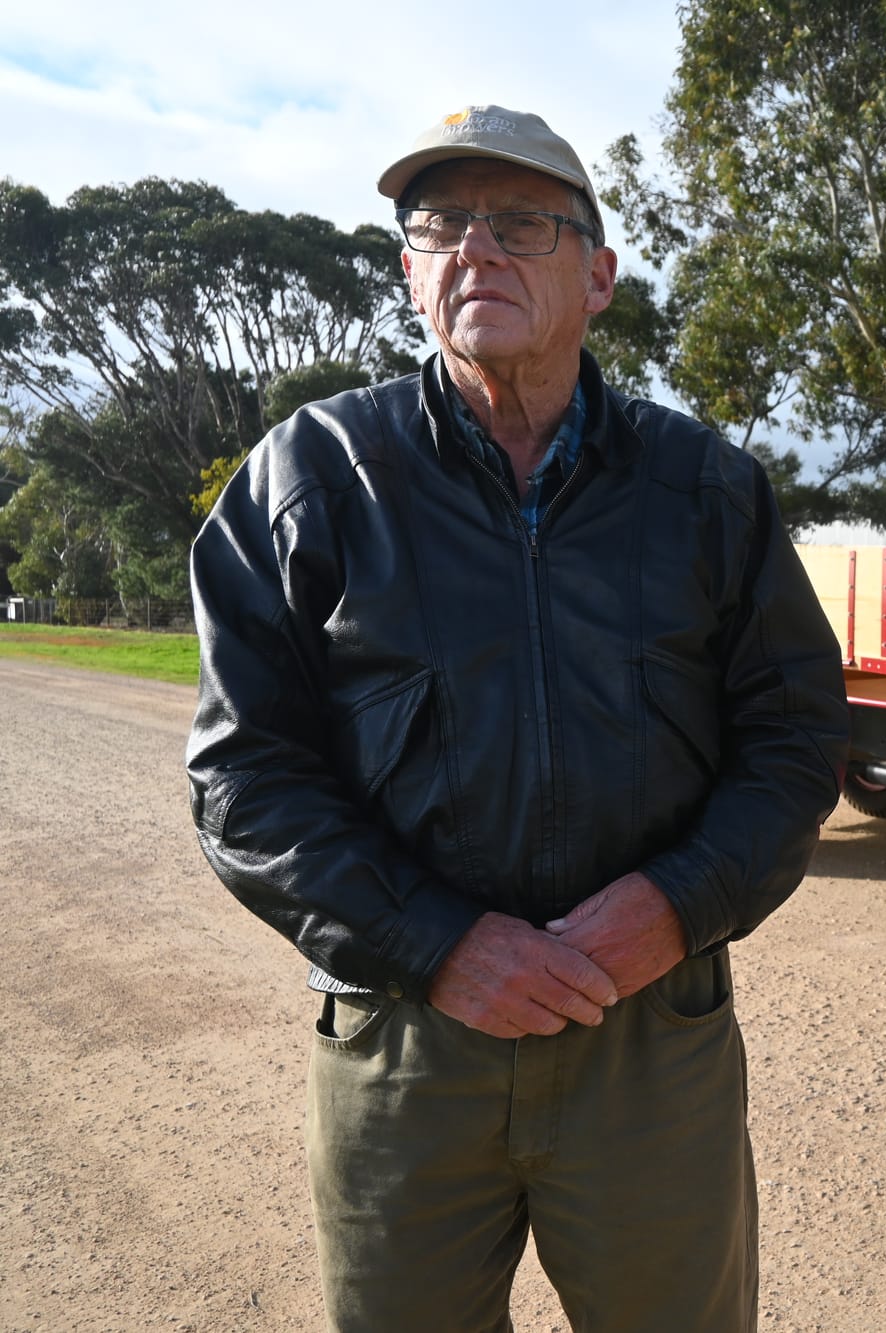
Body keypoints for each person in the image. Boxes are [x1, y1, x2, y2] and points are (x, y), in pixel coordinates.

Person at [185, 104, 848, 1331]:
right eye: (441, 223)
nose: (475, 249)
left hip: (646, 1034)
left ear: (597, 276)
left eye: (522, 222)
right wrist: (437, 943)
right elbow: (243, 777)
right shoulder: (309, 481)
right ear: (408, 272)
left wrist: (677, 905)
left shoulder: (706, 491)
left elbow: (798, 739)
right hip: (404, 1037)